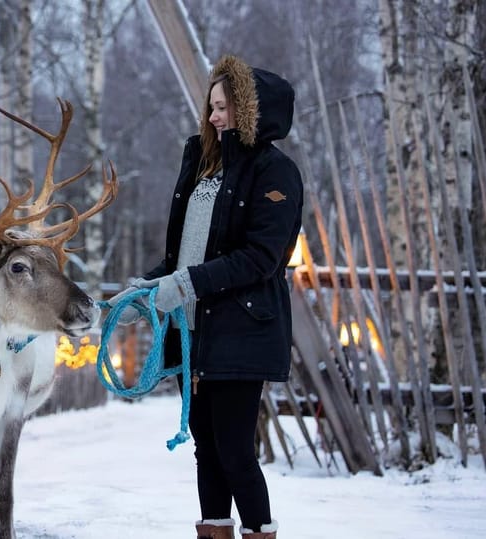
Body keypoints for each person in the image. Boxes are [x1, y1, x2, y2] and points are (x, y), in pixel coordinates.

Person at [109, 55, 301, 539]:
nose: (213, 117)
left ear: (249, 111)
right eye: (211, 107)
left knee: (235, 451)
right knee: (206, 449)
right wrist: (145, 289)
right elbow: (183, 256)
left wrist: (185, 284)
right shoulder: (202, 167)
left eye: (222, 107)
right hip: (193, 331)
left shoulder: (276, 174)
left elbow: (261, 257)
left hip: (241, 329)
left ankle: (259, 530)